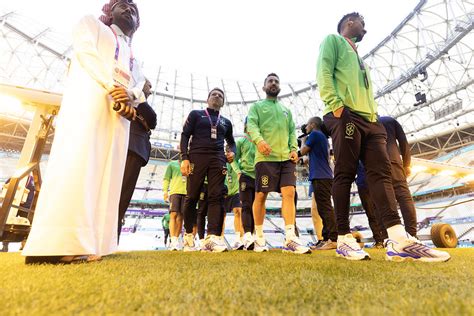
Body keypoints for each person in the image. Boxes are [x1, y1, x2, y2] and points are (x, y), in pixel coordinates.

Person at [317, 12, 449, 261]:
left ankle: (397, 238)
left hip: (370, 120)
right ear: (349, 22)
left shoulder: (361, 59)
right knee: (345, 172)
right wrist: (337, 107)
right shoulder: (332, 41)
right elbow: (323, 73)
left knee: (381, 174)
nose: (365, 28)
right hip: (344, 114)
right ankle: (343, 238)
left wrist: (373, 116)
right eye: (362, 23)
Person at [23, 0, 143, 264]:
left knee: (107, 174)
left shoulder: (134, 54)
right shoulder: (91, 24)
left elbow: (140, 83)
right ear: (109, 10)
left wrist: (130, 95)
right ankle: (55, 245)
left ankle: (95, 242)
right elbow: (86, 53)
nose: (130, 9)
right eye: (124, 4)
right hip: (91, 102)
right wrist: (113, 87)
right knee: (80, 163)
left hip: (118, 113)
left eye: (135, 9)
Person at [247, 73, 311, 254]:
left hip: (286, 159)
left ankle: (290, 237)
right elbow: (251, 126)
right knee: (261, 195)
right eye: (270, 81)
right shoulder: (257, 107)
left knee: (289, 193)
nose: (273, 83)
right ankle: (259, 237)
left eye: (276, 81)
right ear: (264, 87)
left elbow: (292, 131)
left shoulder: (286, 111)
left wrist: (293, 149)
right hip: (266, 158)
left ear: (279, 87)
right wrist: (259, 141)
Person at [180, 88, 236, 252]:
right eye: (214, 94)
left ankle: (211, 238)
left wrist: (232, 152)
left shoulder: (226, 122)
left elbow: (231, 142)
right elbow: (185, 135)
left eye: (220, 95)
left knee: (216, 196)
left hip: (218, 159)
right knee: (192, 196)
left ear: (223, 102)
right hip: (197, 156)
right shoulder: (196, 114)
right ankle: (189, 236)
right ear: (207, 98)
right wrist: (185, 158)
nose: (217, 96)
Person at [118, 78, 157, 242]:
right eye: (148, 84)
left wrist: (136, 97)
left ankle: (111, 237)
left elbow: (152, 121)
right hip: (123, 144)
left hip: (132, 149)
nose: (150, 88)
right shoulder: (122, 95)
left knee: (123, 196)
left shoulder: (142, 105)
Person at [300, 117, 338, 250]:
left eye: (308, 125)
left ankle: (333, 238)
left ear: (313, 124)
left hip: (321, 176)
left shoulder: (315, 134)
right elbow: (306, 159)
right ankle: (326, 238)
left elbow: (303, 151)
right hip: (323, 175)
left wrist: (303, 139)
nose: (306, 127)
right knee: (323, 208)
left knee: (325, 208)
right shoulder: (322, 137)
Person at [379, 116, 418, 238]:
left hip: (377, 166)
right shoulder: (389, 120)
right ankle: (412, 235)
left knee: (384, 201)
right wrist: (406, 164)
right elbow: (403, 142)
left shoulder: (366, 123)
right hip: (394, 161)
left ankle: (390, 237)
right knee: (404, 197)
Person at [231, 118, 257, 250]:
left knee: (257, 208)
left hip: (259, 178)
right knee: (246, 206)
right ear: (246, 126)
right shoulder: (241, 141)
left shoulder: (261, 141)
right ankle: (247, 235)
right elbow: (233, 159)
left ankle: (254, 235)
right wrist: (238, 172)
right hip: (246, 177)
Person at [355, 162, 386, 248]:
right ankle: (382, 239)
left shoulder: (355, 152)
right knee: (374, 213)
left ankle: (380, 240)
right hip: (371, 183)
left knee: (373, 214)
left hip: (367, 183)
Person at [163, 159, 187, 251]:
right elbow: (166, 178)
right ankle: (173, 241)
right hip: (174, 192)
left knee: (181, 217)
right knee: (173, 214)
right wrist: (165, 192)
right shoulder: (172, 164)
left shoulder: (190, 164)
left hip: (186, 192)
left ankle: (176, 240)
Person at [223, 162, 244, 250]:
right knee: (221, 215)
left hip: (236, 191)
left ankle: (239, 238)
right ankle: (220, 238)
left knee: (238, 211)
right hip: (224, 191)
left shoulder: (236, 162)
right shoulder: (221, 162)